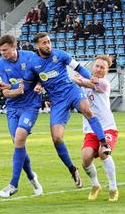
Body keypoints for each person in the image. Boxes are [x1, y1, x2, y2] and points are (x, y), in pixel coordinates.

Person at [26, 32, 111, 188]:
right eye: (44, 43)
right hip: (57, 101)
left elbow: (78, 67)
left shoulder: (60, 54)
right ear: (37, 46)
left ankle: (104, 142)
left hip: (71, 91)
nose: (48, 45)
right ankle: (72, 169)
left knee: (87, 109)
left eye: (49, 42)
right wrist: (37, 85)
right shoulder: (33, 63)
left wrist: (89, 77)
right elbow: (32, 80)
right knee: (57, 138)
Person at [0, 35, 43, 198]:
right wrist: (16, 90)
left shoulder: (30, 57)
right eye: (1, 51)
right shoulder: (0, 65)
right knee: (18, 144)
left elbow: (42, 77)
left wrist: (38, 85)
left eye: (5, 50)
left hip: (30, 106)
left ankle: (13, 184)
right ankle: (31, 176)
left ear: (15, 47)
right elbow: (6, 92)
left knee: (20, 138)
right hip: (13, 108)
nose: (3, 54)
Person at [72, 54, 119, 201]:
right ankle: (96, 185)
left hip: (107, 128)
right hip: (90, 130)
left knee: (103, 152)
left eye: (102, 67)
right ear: (93, 66)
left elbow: (90, 84)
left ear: (107, 70)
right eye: (97, 66)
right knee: (85, 159)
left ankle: (113, 187)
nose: (98, 69)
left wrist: (78, 80)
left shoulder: (105, 83)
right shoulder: (84, 81)